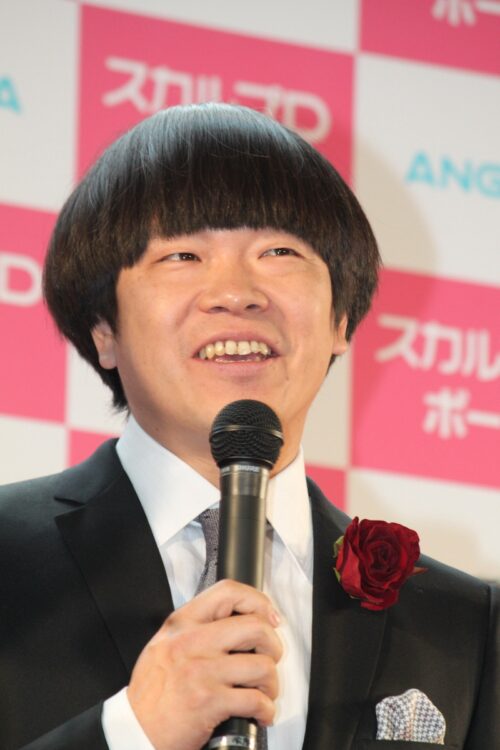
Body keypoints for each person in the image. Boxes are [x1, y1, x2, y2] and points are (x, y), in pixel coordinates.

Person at [0, 104, 497, 750]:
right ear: (104, 331)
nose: (236, 293)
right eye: (182, 255)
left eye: (278, 252)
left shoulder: (462, 625)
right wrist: (133, 732)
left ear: (341, 321)